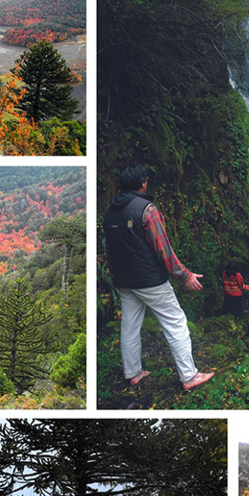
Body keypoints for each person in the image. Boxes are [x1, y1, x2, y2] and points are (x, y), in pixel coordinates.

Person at [102, 164, 213, 390]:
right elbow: (163, 249)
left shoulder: (108, 211)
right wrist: (185, 276)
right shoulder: (147, 210)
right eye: (146, 180)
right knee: (176, 323)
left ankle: (133, 372)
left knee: (130, 326)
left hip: (124, 281)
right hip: (150, 280)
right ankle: (189, 376)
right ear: (143, 183)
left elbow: (110, 249)